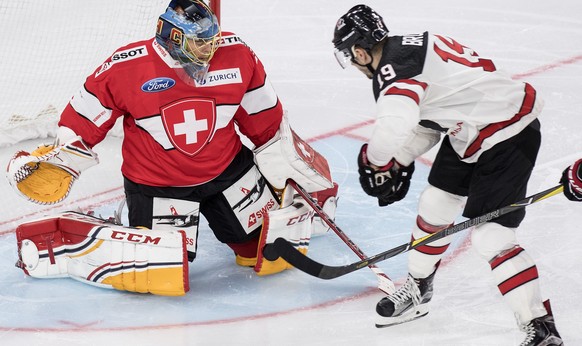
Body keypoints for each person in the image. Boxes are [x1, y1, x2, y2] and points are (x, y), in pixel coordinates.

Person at [7, 0, 338, 294]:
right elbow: (84, 116)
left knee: (266, 252)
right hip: (158, 184)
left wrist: (288, 168)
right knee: (159, 274)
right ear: (173, 36)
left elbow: (264, 117)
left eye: (212, 41)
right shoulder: (126, 67)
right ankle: (93, 234)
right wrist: (65, 157)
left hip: (227, 171)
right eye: (200, 42)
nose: (209, 50)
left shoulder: (236, 54)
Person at [332, 4, 562, 345]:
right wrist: (400, 159)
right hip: (470, 128)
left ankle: (541, 327)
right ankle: (419, 289)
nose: (352, 64)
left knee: (492, 238)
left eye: (349, 57)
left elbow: (396, 124)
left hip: (508, 131)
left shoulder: (394, 72)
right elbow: (431, 121)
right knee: (435, 206)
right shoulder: (410, 46)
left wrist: (378, 161)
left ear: (360, 52)